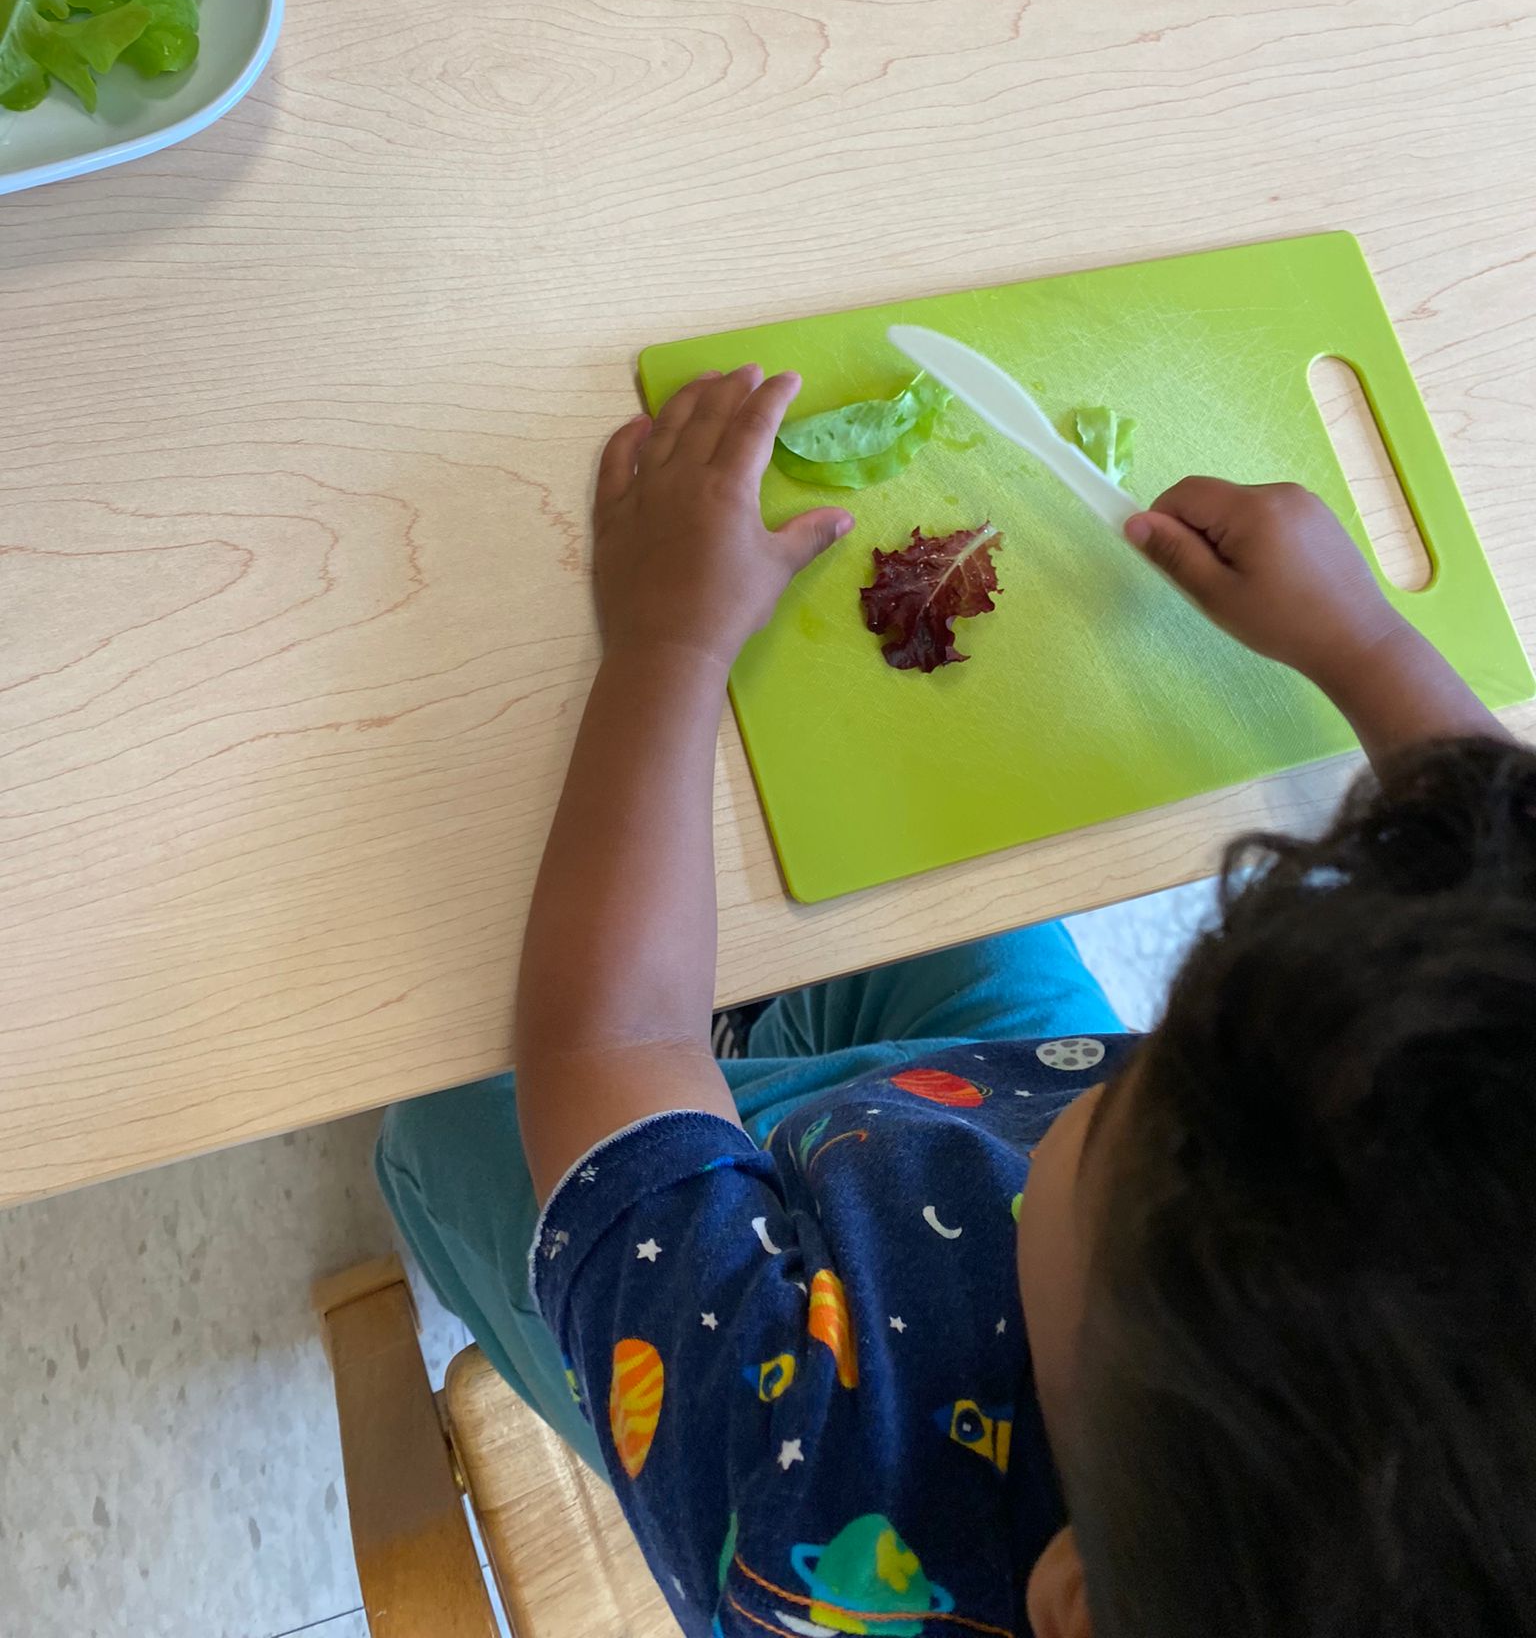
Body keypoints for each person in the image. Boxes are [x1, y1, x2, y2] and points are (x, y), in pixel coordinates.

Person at [377, 366, 1535, 1638]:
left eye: (1155, 1090)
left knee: (446, 1116)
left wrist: (672, 640)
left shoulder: (808, 1503)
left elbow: (612, 1040)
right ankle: (775, 1066)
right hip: (985, 1080)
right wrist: (1363, 643)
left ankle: (707, 1138)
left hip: (762, 1300)